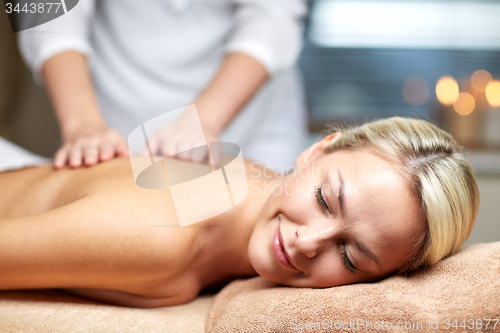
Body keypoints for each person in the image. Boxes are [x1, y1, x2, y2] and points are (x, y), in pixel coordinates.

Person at [0, 117, 479, 307]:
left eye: (350, 257)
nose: (307, 243)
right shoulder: (161, 235)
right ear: (316, 151)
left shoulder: (253, 180)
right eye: (323, 201)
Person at [18, 0, 308, 170]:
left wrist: (204, 121)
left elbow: (273, 18)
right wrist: (82, 125)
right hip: (112, 117)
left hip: (251, 115)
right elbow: (46, 10)